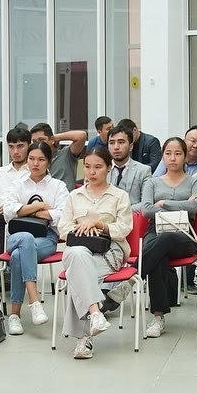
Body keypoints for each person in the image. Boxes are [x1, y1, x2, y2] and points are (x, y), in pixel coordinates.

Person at [58, 146, 133, 359]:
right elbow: (62, 228)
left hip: (109, 251)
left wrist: (100, 225)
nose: (92, 172)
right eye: (88, 167)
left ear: (109, 168)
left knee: (77, 273)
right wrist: (81, 228)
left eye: (98, 167)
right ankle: (95, 313)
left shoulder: (119, 196)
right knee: (78, 257)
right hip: (78, 248)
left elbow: (124, 228)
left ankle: (83, 340)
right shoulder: (74, 195)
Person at [139, 137, 197, 338]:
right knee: (158, 255)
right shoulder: (152, 182)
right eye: (168, 153)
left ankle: (132, 277)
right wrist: (183, 204)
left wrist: (164, 203)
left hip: (184, 235)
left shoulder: (195, 182)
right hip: (155, 231)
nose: (172, 158)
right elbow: (146, 210)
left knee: (164, 241)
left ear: (185, 156)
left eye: (177, 153)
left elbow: (196, 207)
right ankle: (158, 317)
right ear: (163, 156)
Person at [2, 140, 69, 335]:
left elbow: (63, 214)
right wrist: (40, 207)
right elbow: (8, 211)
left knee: (18, 256)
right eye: (31, 159)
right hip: (16, 236)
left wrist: (26, 211)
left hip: (46, 238)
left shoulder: (58, 186)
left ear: (49, 161)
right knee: (25, 239)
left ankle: (14, 315)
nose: (35, 163)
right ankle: (34, 300)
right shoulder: (17, 185)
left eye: (41, 159)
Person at [0, 126, 32, 253]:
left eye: (20, 146)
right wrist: (14, 205)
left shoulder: (35, 172)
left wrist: (7, 205)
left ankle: (2, 261)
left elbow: (34, 202)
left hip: (26, 221)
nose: (15, 151)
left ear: (29, 145)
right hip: (1, 221)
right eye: (11, 147)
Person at [29, 123, 87, 192]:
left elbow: (81, 135)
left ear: (52, 139)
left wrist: (57, 137)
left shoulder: (66, 154)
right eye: (34, 141)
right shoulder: (32, 160)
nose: (38, 144)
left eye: (42, 140)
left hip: (65, 196)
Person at [106, 125, 151, 209]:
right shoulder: (102, 169)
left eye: (121, 142)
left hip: (132, 215)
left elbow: (146, 203)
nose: (116, 147)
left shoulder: (143, 170)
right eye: (111, 143)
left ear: (131, 146)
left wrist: (122, 211)